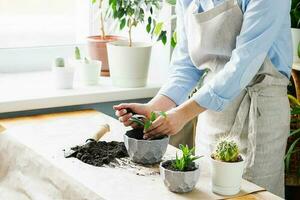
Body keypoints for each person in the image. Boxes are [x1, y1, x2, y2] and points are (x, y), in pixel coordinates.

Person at [113, 0, 293, 197]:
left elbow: (245, 63)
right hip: (208, 112)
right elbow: (186, 63)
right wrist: (156, 107)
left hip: (259, 115)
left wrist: (183, 114)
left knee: (253, 193)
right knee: (205, 191)